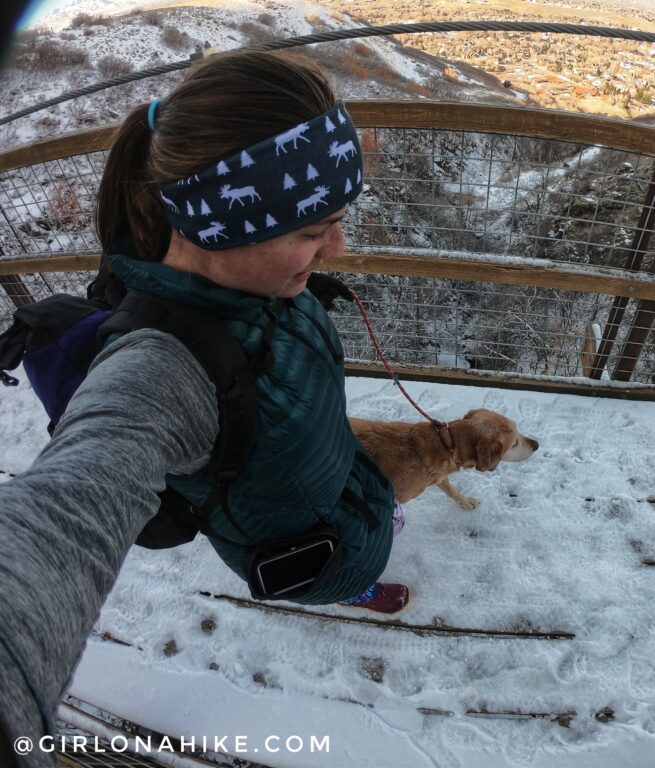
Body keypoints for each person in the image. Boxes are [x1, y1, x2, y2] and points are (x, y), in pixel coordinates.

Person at [0, 49, 409, 765]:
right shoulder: (162, 372)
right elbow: (64, 512)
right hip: (311, 555)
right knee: (345, 569)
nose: (336, 247)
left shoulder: (262, 285)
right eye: (313, 231)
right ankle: (354, 586)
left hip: (342, 481)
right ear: (225, 226)